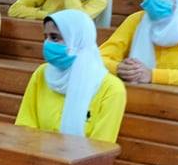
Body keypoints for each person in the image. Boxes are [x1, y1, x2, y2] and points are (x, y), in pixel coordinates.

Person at [15, 10, 126, 142]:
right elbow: (25, 127)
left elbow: (101, 147)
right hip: (35, 153)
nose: (47, 43)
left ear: (77, 40)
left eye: (54, 37)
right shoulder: (42, 73)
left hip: (82, 155)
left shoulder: (111, 89)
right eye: (46, 37)